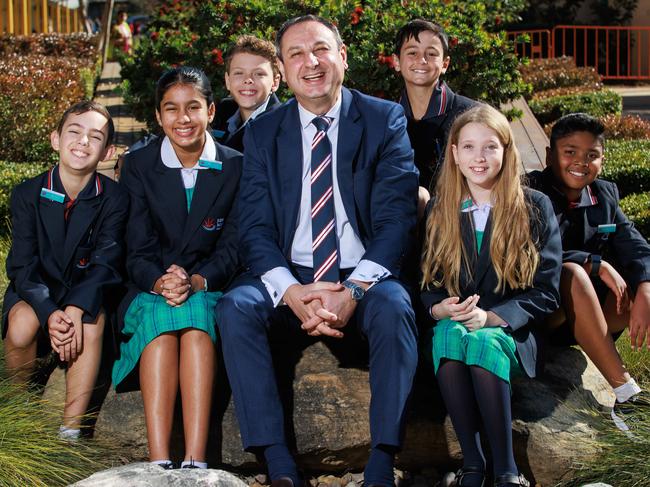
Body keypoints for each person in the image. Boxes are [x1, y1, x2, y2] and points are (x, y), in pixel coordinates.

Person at [216, 15, 419, 487]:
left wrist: (352, 289)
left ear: (342, 56)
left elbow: (396, 222)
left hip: (360, 271)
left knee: (395, 308)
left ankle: (382, 461)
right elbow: (255, 226)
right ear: (284, 72)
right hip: (292, 271)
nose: (311, 63)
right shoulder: (264, 132)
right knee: (235, 307)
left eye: (321, 49)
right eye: (296, 55)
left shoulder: (382, 119)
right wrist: (289, 290)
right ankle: (278, 463)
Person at [420, 104, 561, 487]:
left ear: (507, 151)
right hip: (458, 325)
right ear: (454, 153)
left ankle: (505, 469)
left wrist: (493, 318)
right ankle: (472, 463)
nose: (478, 158)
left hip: (512, 332)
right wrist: (438, 307)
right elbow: (427, 284)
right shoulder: (441, 208)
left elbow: (546, 293)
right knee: (448, 335)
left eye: (489, 147)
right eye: (468, 147)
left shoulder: (534, 206)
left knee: (483, 341)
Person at [111, 67, 242, 469]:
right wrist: (159, 280)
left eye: (193, 108)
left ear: (211, 111)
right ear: (158, 116)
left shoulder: (235, 165)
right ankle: (158, 461)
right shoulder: (138, 165)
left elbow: (236, 243)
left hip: (208, 282)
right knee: (163, 324)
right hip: (151, 284)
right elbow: (135, 245)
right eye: (171, 109)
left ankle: (195, 461)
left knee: (198, 318)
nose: (182, 119)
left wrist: (200, 279)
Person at [2, 100, 127, 440]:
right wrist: (48, 311)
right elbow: (22, 265)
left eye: (95, 136)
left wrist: (73, 308)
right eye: (74, 131)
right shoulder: (27, 194)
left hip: (86, 288)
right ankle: (17, 410)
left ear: (107, 151)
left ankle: (70, 431)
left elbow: (107, 262)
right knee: (22, 324)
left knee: (90, 321)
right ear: (55, 139)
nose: (83, 141)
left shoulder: (114, 198)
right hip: (35, 290)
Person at [527, 113, 650, 432]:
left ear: (602, 159)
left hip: (589, 319)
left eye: (591, 155)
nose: (581, 162)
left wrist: (646, 287)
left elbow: (634, 243)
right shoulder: (529, 191)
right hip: (545, 312)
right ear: (549, 154)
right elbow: (534, 253)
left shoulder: (604, 194)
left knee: (640, 276)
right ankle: (626, 395)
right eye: (570, 152)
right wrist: (595, 263)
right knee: (572, 272)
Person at [393, 19, 475, 217]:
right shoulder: (386, 119)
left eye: (431, 54)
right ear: (396, 61)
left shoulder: (472, 115)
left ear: (445, 63)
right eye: (412, 52)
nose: (422, 60)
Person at [215, 35, 282, 152]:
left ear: (275, 82)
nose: (248, 79)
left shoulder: (282, 127)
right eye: (239, 73)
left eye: (258, 74)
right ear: (228, 80)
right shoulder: (221, 112)